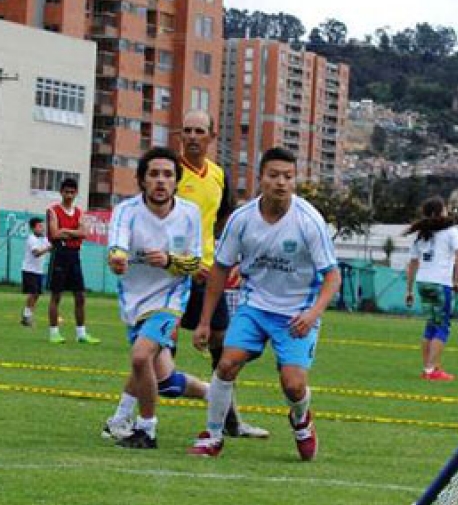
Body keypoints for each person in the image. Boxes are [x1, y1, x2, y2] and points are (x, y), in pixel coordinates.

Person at [188, 147, 341, 461]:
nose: (281, 183)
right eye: (274, 175)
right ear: (261, 179)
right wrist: (204, 321)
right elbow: (219, 268)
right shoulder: (242, 220)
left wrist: (313, 314)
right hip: (254, 307)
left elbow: (333, 276)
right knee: (227, 363)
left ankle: (301, 421)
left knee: (293, 385)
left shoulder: (309, 220)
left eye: (288, 176)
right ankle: (212, 436)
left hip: (298, 312)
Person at [175, 109, 268, 439]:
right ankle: (131, 418)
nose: (193, 136)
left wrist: (226, 262)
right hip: (171, 277)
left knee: (223, 346)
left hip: (207, 275)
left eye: (200, 131)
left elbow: (224, 221)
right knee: (156, 352)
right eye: (187, 130)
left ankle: (231, 420)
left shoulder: (217, 175)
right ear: (180, 136)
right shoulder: (168, 174)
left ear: (212, 136)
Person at [103, 147, 204, 449]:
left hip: (170, 299)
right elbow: (116, 247)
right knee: (163, 378)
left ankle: (146, 429)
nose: (161, 181)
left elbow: (195, 262)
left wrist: (170, 260)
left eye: (168, 175)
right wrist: (117, 259)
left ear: (176, 181)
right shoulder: (126, 211)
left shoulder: (189, 214)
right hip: (134, 301)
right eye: (154, 174)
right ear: (142, 181)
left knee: (139, 356)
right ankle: (217, 396)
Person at [404, 198, 458, 382]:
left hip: (423, 283)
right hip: (441, 283)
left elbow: (413, 263)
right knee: (442, 326)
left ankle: (428, 367)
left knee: (431, 325)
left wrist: (409, 290)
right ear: (441, 212)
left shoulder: (422, 235)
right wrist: (457, 280)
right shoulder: (451, 232)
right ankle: (431, 370)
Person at [46, 178, 100, 344]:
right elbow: (54, 234)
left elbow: (84, 232)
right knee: (56, 295)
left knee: (80, 295)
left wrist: (66, 231)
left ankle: (81, 333)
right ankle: (54, 332)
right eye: (66, 192)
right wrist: (74, 232)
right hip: (60, 254)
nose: (69, 195)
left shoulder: (79, 213)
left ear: (76, 193)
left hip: (74, 255)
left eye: (72, 192)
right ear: (61, 192)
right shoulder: (53, 211)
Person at [20, 217, 52, 327]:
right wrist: (48, 248)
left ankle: (28, 315)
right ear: (33, 228)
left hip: (39, 271)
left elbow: (52, 245)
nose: (42, 228)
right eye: (39, 226)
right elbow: (36, 253)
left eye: (42, 226)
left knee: (37, 294)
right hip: (29, 270)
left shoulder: (44, 239)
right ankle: (26, 316)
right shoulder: (31, 239)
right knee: (33, 293)